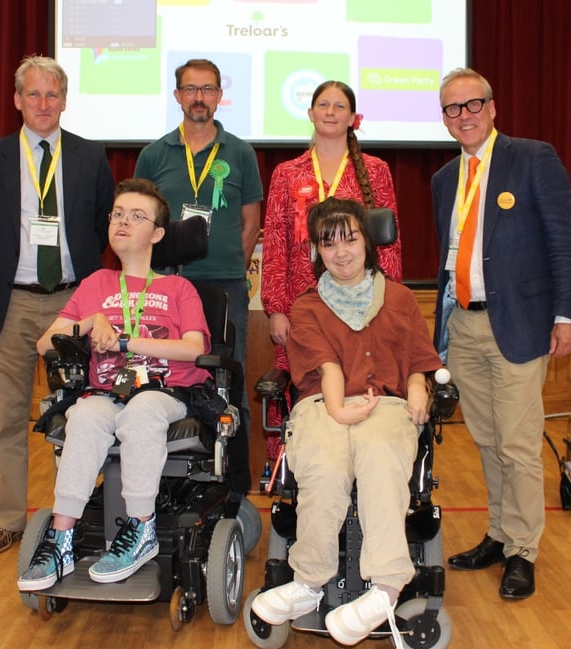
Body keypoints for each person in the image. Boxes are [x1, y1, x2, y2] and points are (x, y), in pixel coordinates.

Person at [251, 198, 443, 646]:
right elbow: (328, 369)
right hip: (323, 403)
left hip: (386, 402)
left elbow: (417, 356)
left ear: (367, 242)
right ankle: (308, 581)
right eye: (328, 243)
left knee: (378, 457)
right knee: (325, 463)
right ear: (317, 250)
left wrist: (417, 385)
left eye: (350, 239)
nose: (340, 252)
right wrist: (339, 412)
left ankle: (386, 588)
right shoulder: (308, 305)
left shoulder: (399, 297)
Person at [17, 178, 212, 590]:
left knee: (141, 411)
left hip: (166, 392)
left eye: (137, 216)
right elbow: (43, 343)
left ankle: (141, 528)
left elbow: (194, 349)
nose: (123, 221)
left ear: (158, 234)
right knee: (84, 414)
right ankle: (63, 536)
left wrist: (125, 340)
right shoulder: (95, 285)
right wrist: (91, 322)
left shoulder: (178, 288)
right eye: (118, 214)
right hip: (106, 393)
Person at [431, 68, 571, 599]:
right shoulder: (444, 179)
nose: (465, 115)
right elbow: (452, 259)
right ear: (444, 118)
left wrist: (567, 314)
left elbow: (564, 241)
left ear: (493, 108)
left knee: (518, 443)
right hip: (464, 325)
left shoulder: (533, 158)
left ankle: (523, 550)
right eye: (453, 108)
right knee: (488, 440)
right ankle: (499, 533)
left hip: (519, 322)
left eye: (474, 104)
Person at [0, 55, 115, 555]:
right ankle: (8, 518)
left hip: (73, 302)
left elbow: (99, 228)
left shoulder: (92, 158)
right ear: (17, 101)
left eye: (52, 95)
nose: (43, 104)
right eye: (33, 94)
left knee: (73, 414)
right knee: (5, 419)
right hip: (10, 303)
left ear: (65, 101)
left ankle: (66, 518)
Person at [133, 58, 262, 493]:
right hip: (167, 285)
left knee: (230, 380)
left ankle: (234, 486)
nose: (199, 98)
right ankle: (170, 481)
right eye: (190, 89)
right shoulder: (154, 154)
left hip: (225, 287)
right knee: (164, 377)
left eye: (207, 89)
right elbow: (139, 220)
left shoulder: (240, 152)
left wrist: (232, 269)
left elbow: (250, 223)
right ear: (177, 97)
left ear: (220, 95)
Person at [260, 80, 403, 458]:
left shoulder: (376, 170)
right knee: (303, 385)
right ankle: (293, 467)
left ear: (353, 118)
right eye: (323, 105)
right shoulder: (287, 173)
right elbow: (274, 241)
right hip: (301, 305)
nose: (330, 112)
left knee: (358, 377)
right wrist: (276, 307)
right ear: (310, 114)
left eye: (340, 106)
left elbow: (389, 246)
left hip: (362, 303)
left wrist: (386, 304)